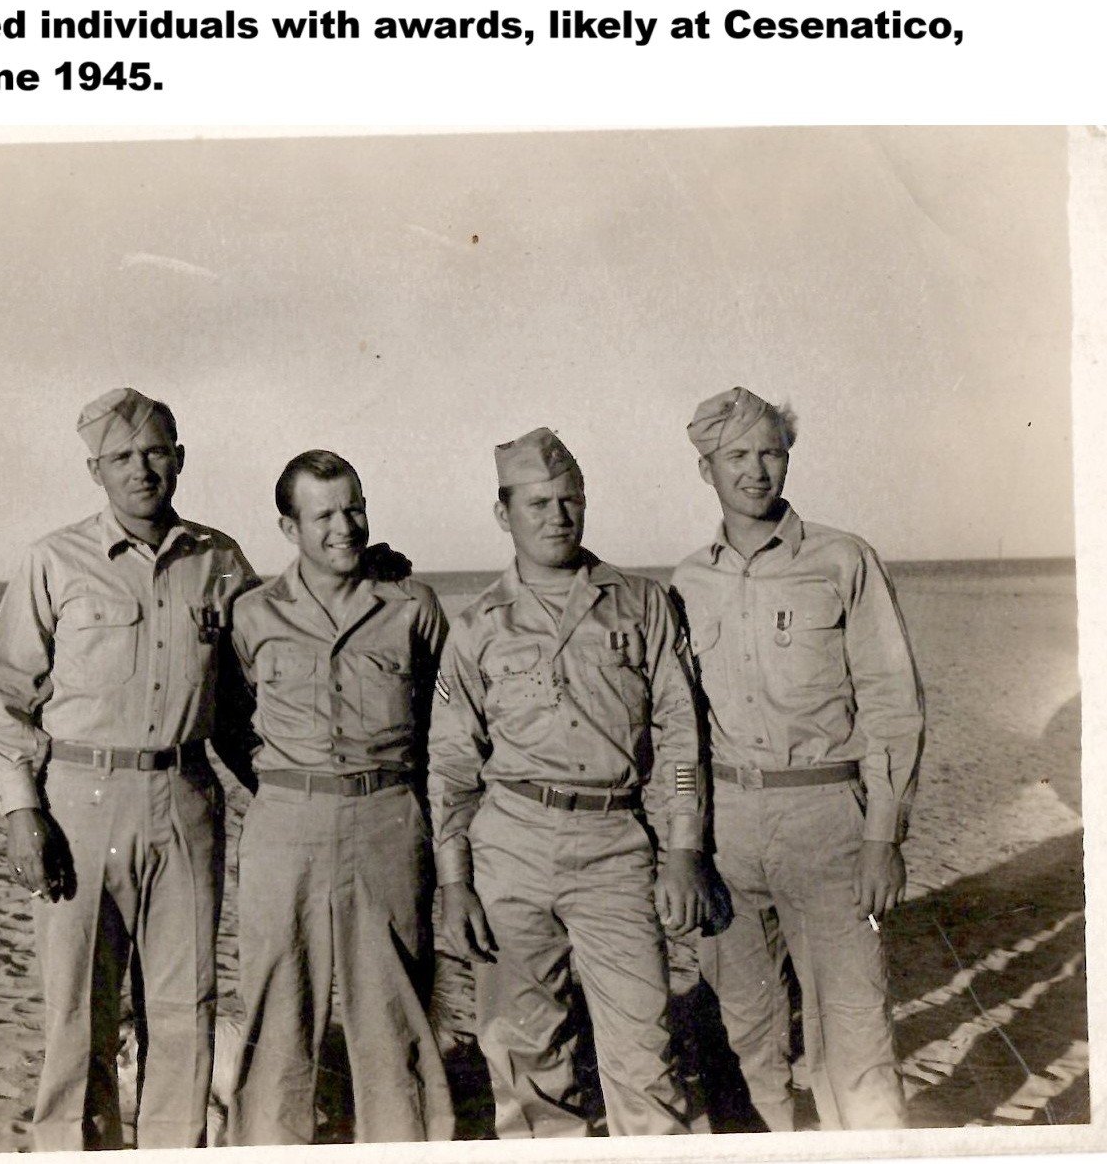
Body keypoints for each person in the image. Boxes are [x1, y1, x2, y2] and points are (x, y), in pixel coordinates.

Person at [0, 388, 256, 1150]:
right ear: (94, 470)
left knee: (184, 1010)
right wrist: (21, 812)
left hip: (187, 799)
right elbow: (2, 697)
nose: (141, 469)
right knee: (79, 1014)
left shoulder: (220, 561)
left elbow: (251, 696)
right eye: (122, 457)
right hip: (79, 805)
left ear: (180, 459)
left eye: (156, 452)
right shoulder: (53, 560)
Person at [428, 427, 710, 1138]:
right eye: (537, 503)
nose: (557, 516)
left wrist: (682, 849)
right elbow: (452, 767)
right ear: (504, 514)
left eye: (569, 500)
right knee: (525, 1061)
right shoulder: (477, 625)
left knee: (645, 1053)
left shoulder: (640, 603)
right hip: (510, 850)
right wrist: (455, 882)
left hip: (614, 846)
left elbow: (680, 733)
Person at [671, 387, 924, 1131]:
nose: (755, 471)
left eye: (770, 453)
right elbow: (679, 727)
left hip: (828, 823)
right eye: (736, 456)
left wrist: (882, 838)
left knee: (856, 1030)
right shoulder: (687, 582)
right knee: (744, 1035)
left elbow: (892, 704)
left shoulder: (843, 560)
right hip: (726, 830)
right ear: (706, 470)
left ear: (788, 460)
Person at [226, 450, 455, 1145]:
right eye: (323, 514)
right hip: (284, 825)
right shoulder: (252, 613)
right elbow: (230, 721)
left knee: (393, 1011)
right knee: (277, 1009)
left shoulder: (412, 607)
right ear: (288, 527)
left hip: (386, 820)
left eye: (354, 508)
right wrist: (288, 788)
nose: (344, 527)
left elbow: (445, 724)